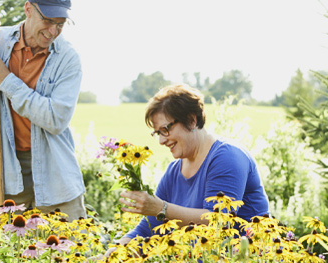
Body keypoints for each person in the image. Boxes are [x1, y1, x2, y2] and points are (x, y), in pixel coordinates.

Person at [0, 0, 86, 220]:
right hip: (5, 168)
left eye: (60, 24)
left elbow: (55, 119)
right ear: (28, 9)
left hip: (55, 170)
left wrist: (6, 80)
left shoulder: (68, 58)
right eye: (48, 21)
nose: (53, 31)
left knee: (71, 248)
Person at [104, 84, 269, 257]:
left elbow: (218, 222)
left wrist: (162, 208)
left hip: (244, 257)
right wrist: (112, 254)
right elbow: (147, 229)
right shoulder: (174, 171)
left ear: (191, 120)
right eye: (157, 133)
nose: (161, 140)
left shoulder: (227, 157)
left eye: (165, 130)